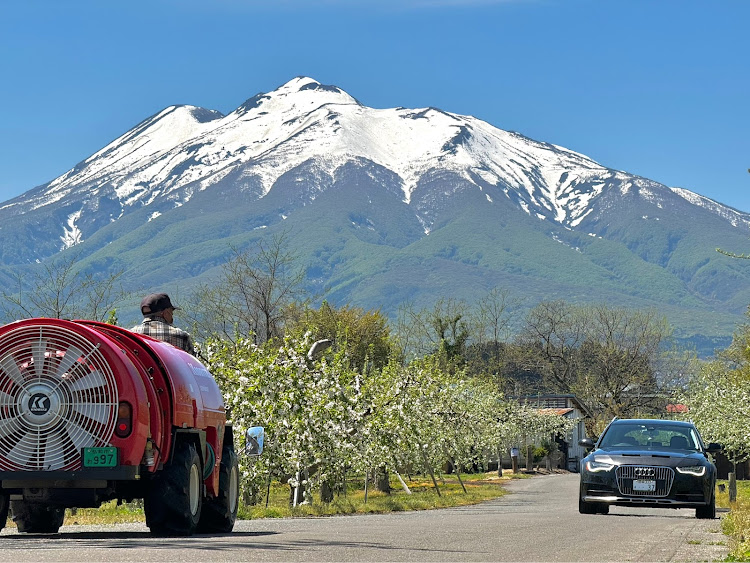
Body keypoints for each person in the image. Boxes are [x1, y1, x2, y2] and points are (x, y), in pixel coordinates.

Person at [131, 293, 195, 355]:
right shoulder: (180, 336)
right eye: (171, 311)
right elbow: (193, 363)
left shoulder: (131, 335)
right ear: (165, 313)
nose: (172, 314)